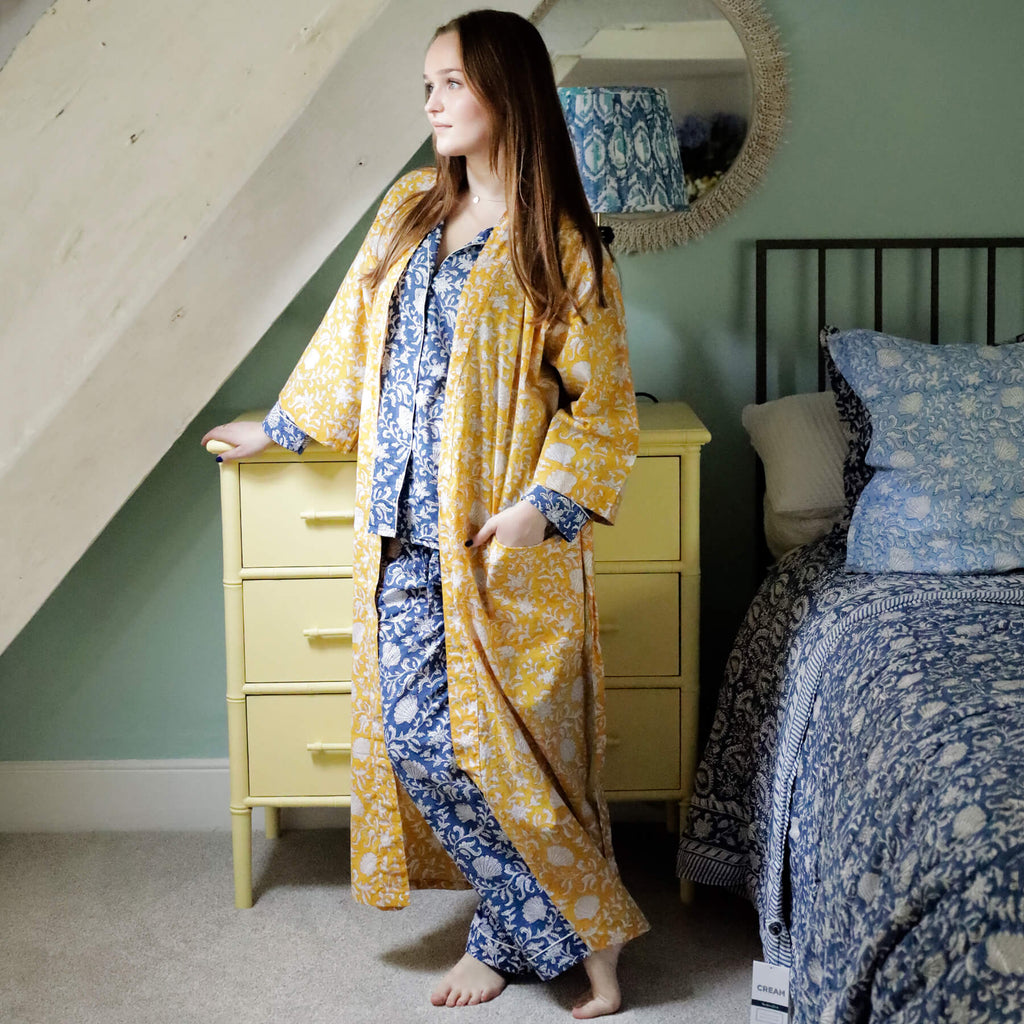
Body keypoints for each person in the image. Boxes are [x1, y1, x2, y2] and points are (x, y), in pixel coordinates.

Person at [202, 8, 647, 1017]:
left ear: (506, 89)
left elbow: (604, 404)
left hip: (500, 549)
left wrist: (545, 505)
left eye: (450, 82)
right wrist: (279, 426)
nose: (433, 103)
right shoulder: (409, 208)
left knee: (521, 753)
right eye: (427, 87)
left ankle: (508, 939)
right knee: (418, 744)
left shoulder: (562, 246)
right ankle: (580, 925)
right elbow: (348, 339)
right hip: (400, 536)